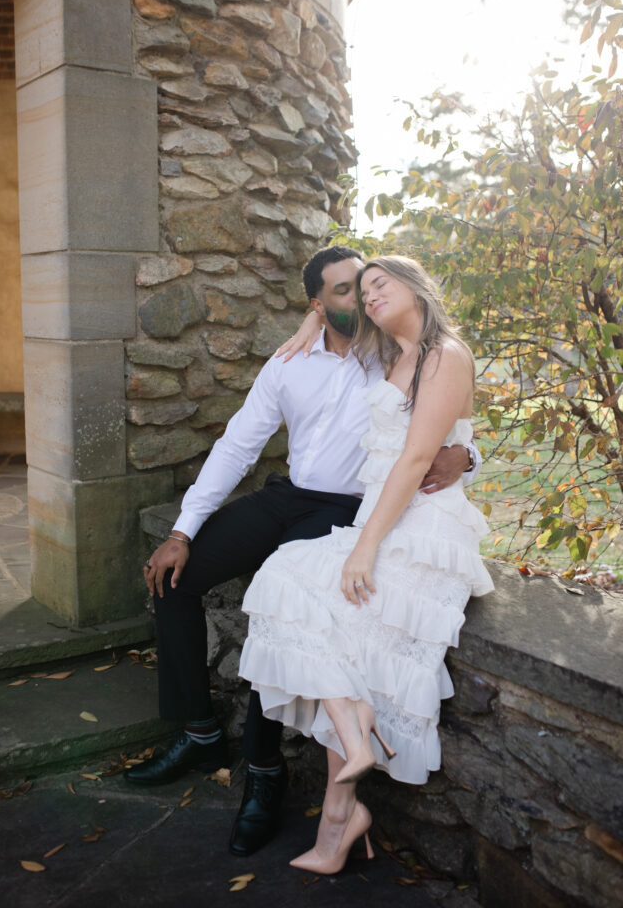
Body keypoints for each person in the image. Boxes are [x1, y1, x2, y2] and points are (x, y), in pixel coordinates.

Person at [127, 246, 481, 858]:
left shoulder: (390, 353)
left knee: (284, 599)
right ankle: (198, 731)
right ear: (317, 303)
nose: (362, 300)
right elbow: (238, 446)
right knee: (178, 582)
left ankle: (264, 772)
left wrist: (471, 456)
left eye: (366, 288)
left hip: (347, 511)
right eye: (344, 292)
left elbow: (448, 421)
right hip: (286, 495)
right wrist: (183, 530)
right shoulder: (289, 361)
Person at [238, 255, 494, 874]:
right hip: (377, 520)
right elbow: (332, 326)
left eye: (382, 284)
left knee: (345, 628)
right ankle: (354, 754)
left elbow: (416, 460)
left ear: (416, 286)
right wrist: (309, 322)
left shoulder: (443, 352)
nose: (371, 296)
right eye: (363, 290)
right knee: (283, 580)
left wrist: (365, 546)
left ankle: (338, 825)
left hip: (419, 530)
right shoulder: (388, 354)